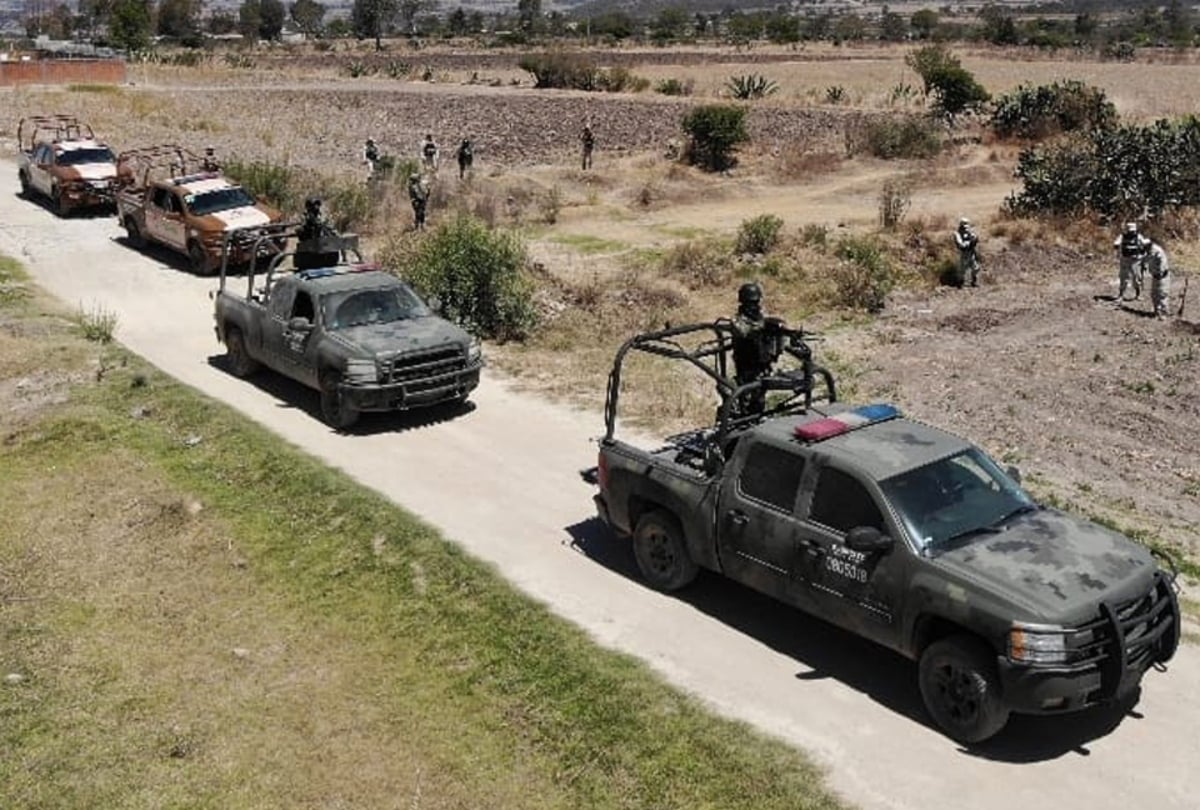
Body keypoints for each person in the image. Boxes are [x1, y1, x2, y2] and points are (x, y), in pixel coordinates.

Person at [730, 282, 775, 415]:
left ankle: (756, 417)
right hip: (746, 366)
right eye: (750, 303)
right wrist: (762, 328)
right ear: (742, 302)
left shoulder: (760, 317)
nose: (754, 306)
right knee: (745, 398)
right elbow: (744, 332)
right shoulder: (737, 320)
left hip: (761, 365)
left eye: (756, 302)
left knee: (759, 398)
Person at [295, 197, 340, 270]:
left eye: (317, 205)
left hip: (327, 253)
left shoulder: (324, 218)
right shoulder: (304, 218)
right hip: (309, 253)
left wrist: (323, 227)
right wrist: (307, 227)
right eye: (313, 206)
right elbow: (299, 233)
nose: (316, 208)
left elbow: (334, 233)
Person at [1113, 221, 1150, 303]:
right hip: (1125, 259)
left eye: (1132, 231)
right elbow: (1116, 243)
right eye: (1130, 230)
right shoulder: (1122, 236)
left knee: (1137, 278)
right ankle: (1121, 295)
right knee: (1123, 278)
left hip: (1135, 260)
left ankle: (1138, 295)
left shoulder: (1138, 236)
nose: (1131, 232)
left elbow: (1144, 243)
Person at [1145, 240, 1171, 319]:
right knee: (1154, 294)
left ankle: (1164, 313)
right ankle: (1157, 312)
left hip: (1162, 276)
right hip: (1155, 275)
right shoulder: (1148, 251)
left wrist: (1159, 273)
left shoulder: (1157, 251)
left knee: (1162, 294)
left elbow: (1162, 264)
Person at [953, 217, 981, 288]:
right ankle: (960, 283)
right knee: (962, 269)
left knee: (975, 268)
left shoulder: (970, 232)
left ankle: (974, 281)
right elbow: (961, 245)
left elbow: (975, 239)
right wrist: (969, 242)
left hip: (971, 252)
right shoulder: (957, 234)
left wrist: (974, 239)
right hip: (963, 253)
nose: (965, 229)